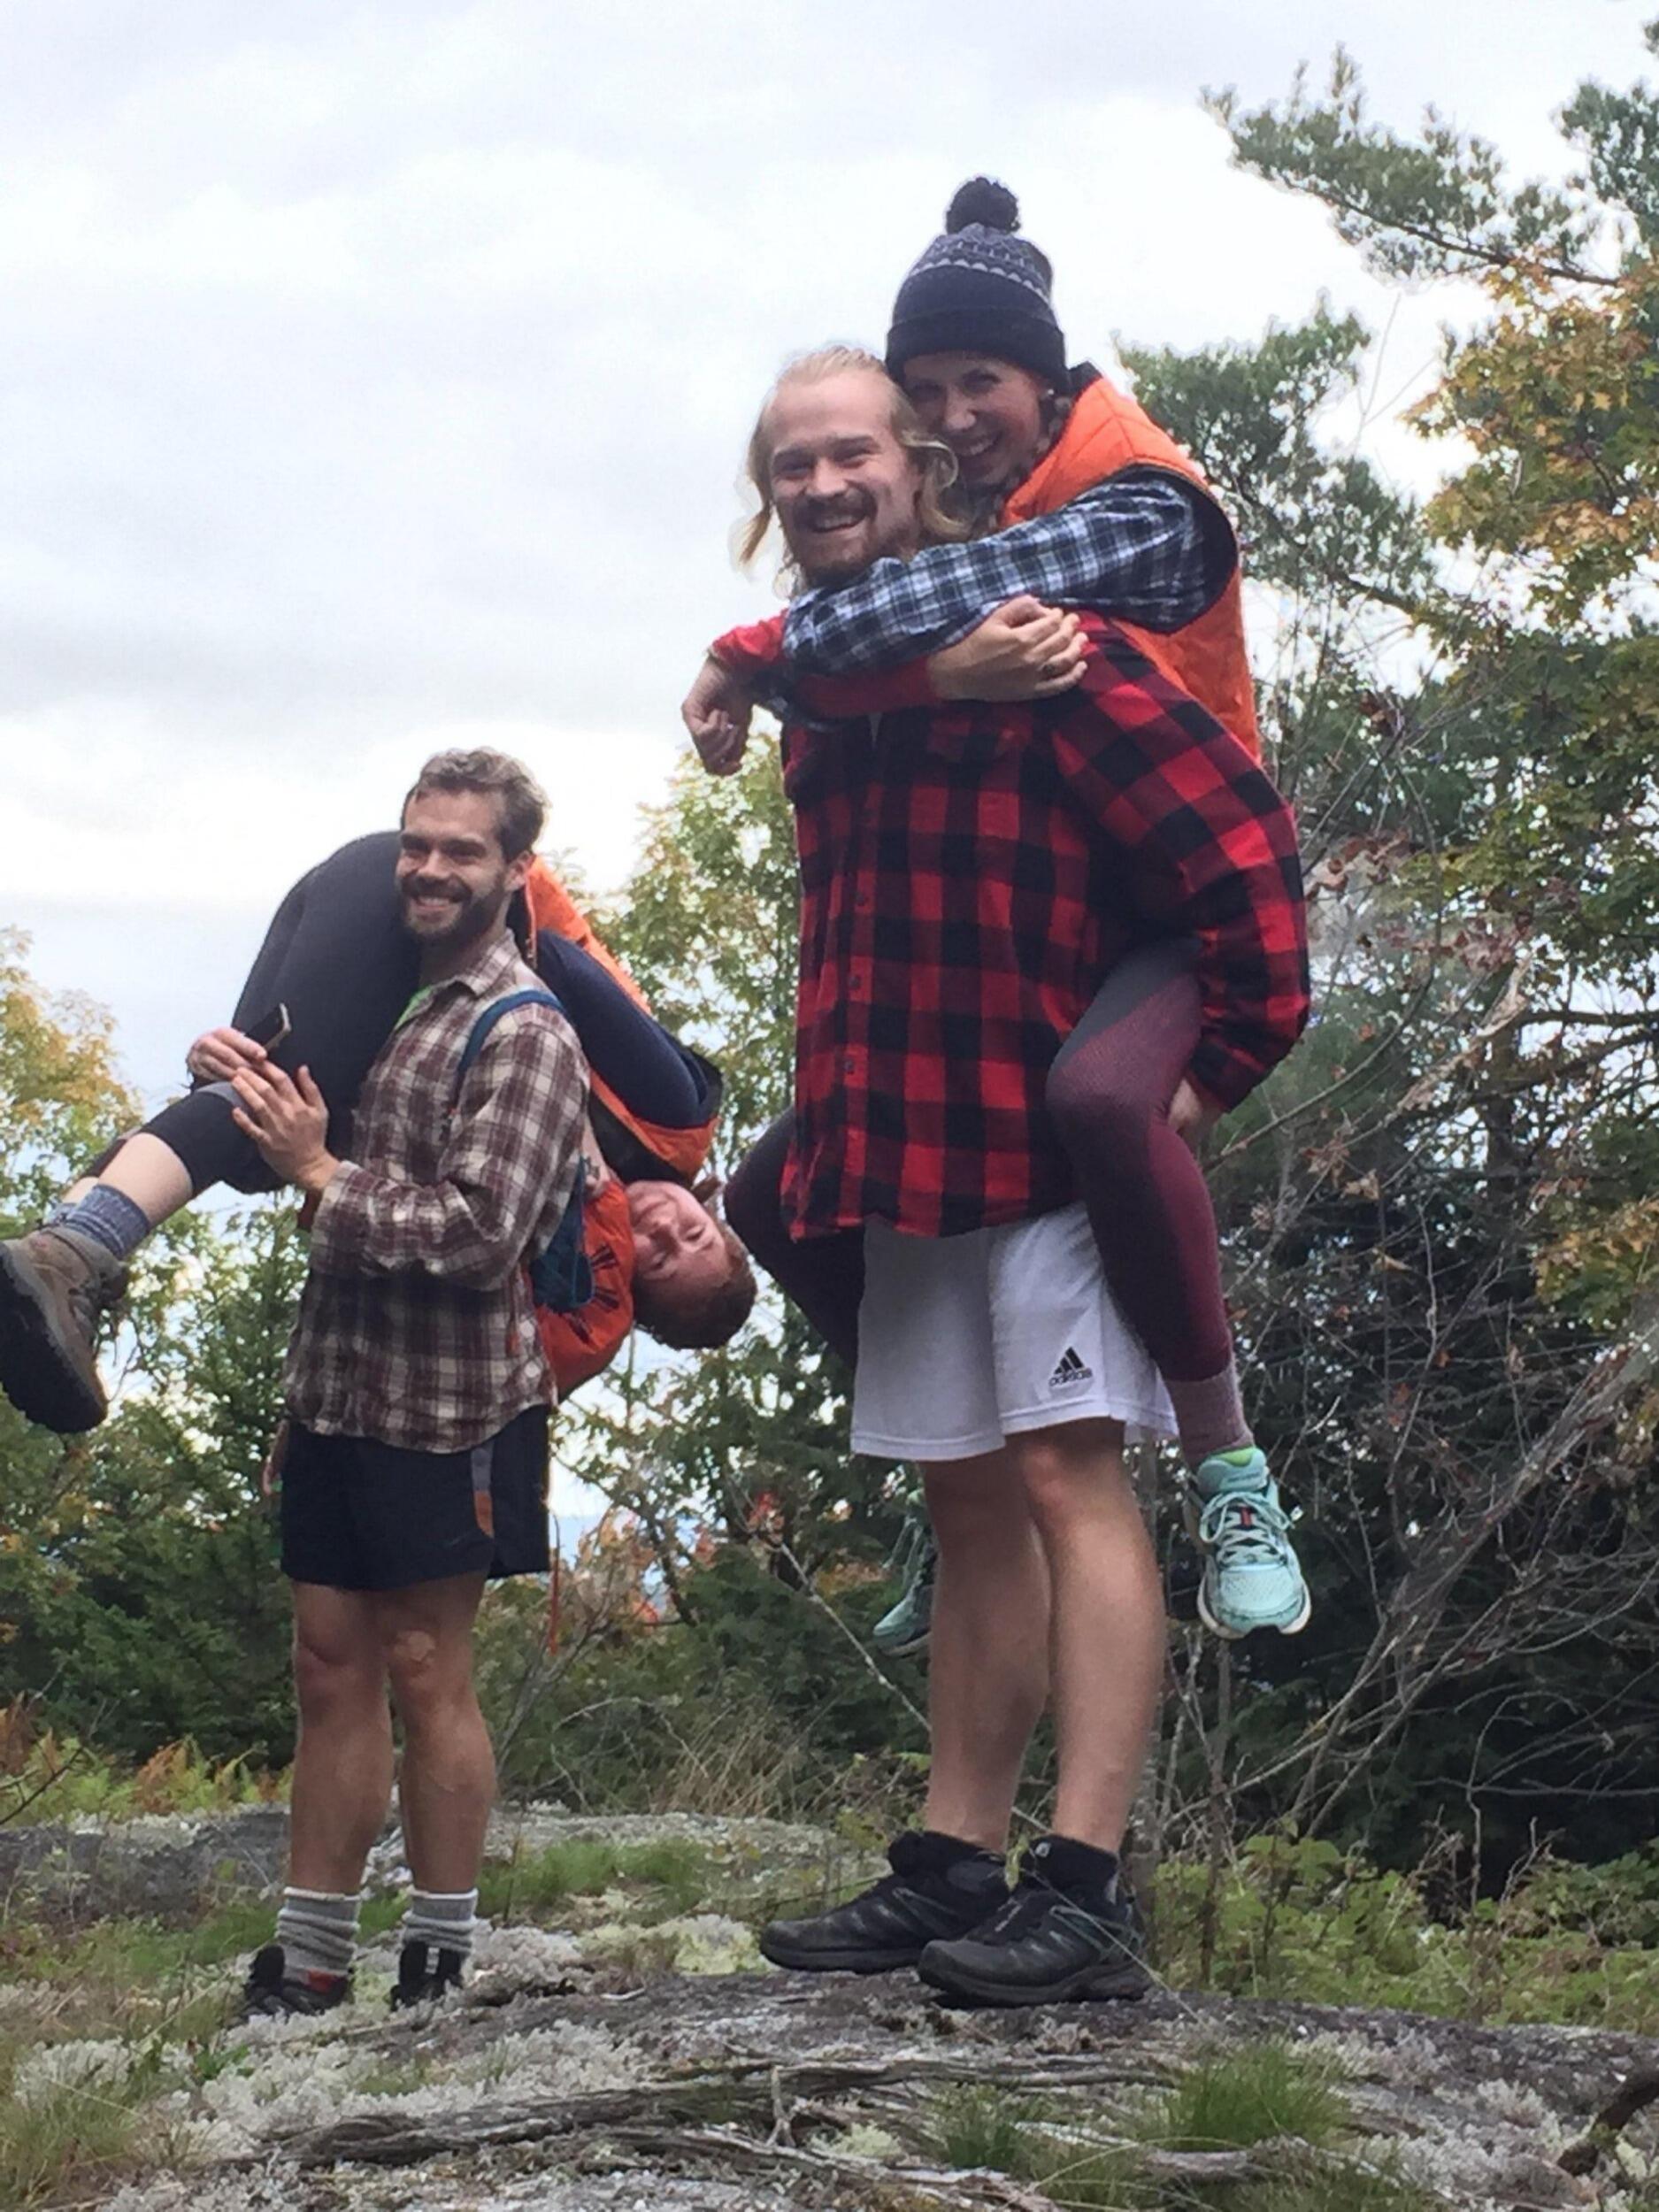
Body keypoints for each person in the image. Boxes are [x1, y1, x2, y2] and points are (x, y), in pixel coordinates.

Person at [728, 350, 1309, 2002]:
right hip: (899, 1144)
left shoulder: (1061, 649)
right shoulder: (830, 683)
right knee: (962, 1495)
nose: (826, 488)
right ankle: (952, 1864)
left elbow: (1246, 858)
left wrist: (1205, 1074)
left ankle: (1089, 1891)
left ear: (920, 468)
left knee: (1067, 1480)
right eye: (792, 468)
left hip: (1041, 1147)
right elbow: (812, 697)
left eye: (854, 457)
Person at [683, 179, 1308, 1644]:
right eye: (932, 390)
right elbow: (887, 624)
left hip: (1191, 906)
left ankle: (1229, 1463)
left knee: (1099, 1104)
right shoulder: (992, 508)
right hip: (1090, 912)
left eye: (984, 384)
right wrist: (799, 667)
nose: (957, 415)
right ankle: (935, 1473)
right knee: (786, 1187)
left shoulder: (1139, 498)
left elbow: (910, 610)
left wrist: (750, 648)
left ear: (1049, 379)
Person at [230, 748, 588, 2017]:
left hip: (455, 1411)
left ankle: (436, 1960)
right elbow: (333, 1201)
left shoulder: (526, 1030)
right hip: (334, 1389)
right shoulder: (376, 1003)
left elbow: (479, 1235)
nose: (429, 870)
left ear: (511, 870)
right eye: (415, 844)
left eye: (460, 850)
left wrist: (322, 1172)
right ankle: (311, 1956)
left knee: (427, 1664)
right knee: (327, 1664)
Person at [0, 834, 751, 1439]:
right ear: (708, 1209)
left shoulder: (556, 1220)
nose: (664, 1230)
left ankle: (63, 1254)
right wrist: (572, 1121)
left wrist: (216, 1063)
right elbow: (541, 955)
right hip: (422, 890)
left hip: (358, 923)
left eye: (660, 1258)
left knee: (257, 1132)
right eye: (694, 1234)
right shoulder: (673, 1113)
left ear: (630, 1279)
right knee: (267, 1096)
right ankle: (74, 1257)